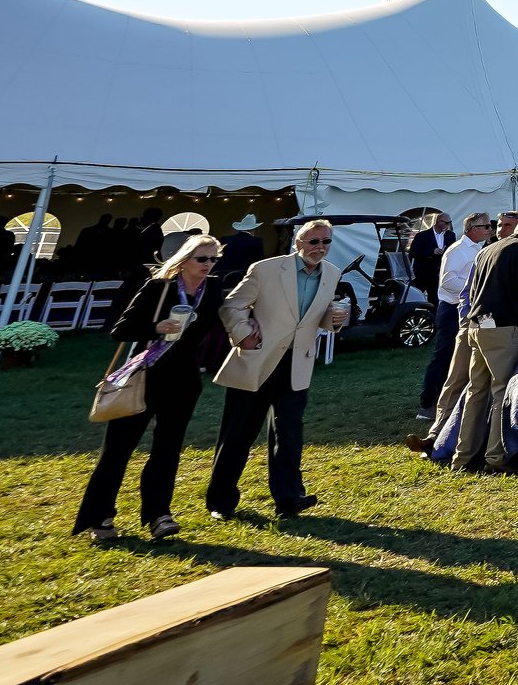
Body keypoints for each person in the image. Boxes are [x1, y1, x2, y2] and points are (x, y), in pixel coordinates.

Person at [74, 233, 228, 544]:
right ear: (184, 260)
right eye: (202, 259)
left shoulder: (211, 290)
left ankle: (159, 515)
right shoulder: (160, 287)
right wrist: (154, 327)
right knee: (118, 451)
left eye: (214, 259)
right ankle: (100, 516)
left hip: (183, 379)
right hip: (144, 376)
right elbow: (121, 329)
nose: (208, 265)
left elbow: (222, 322)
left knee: (167, 450)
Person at [204, 217, 349, 520]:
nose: (320, 248)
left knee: (290, 433)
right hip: (257, 359)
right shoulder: (266, 269)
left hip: (297, 365)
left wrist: (332, 321)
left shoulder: (332, 274)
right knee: (237, 434)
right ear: (298, 243)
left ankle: (289, 497)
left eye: (326, 242)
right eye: (313, 241)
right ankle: (221, 501)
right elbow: (231, 306)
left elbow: (313, 317)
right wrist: (243, 333)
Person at [452, 214, 518, 474]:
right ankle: (495, 458)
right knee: (501, 393)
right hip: (500, 327)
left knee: (476, 392)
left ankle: (462, 457)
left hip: (477, 324)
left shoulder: (490, 248)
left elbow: (472, 291)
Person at [419, 211, 492, 419]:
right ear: (472, 229)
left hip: (468, 308)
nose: (490, 229)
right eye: (485, 226)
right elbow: (447, 282)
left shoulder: (479, 249)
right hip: (451, 309)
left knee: (462, 358)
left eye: (489, 226)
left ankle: (452, 403)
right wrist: (476, 288)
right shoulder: (458, 250)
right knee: (444, 356)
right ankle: (428, 405)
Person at [406, 211, 455, 300]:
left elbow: (453, 251)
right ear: (439, 221)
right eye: (447, 223)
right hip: (424, 272)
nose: (448, 225)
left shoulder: (450, 235)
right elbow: (414, 252)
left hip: (440, 273)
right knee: (415, 295)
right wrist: (432, 251)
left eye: (450, 223)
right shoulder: (422, 235)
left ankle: (432, 313)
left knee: (435, 299)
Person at [214, 215, 267, 285]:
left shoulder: (225, 239)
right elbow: (258, 262)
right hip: (243, 279)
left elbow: (218, 259)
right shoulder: (257, 242)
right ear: (253, 229)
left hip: (222, 277)